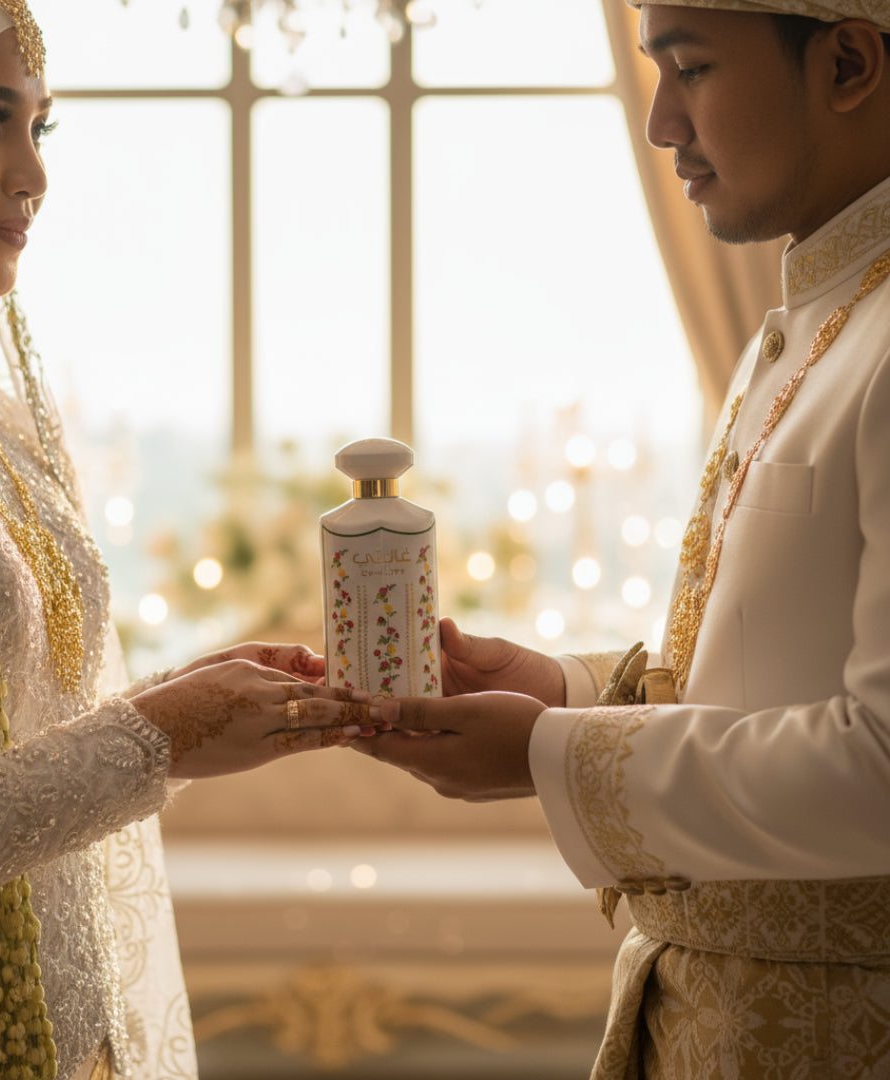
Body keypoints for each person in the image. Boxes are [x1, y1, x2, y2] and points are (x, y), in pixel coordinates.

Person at [0, 3, 375, 1078]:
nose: (32, 174)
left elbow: (29, 731)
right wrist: (151, 739)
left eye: (40, 127)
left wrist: (176, 707)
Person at [356, 2, 890, 1076]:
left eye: (689, 68)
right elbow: (766, 672)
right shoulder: (806, 326)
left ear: (845, 62)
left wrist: (549, 754)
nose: (659, 124)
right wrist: (564, 689)